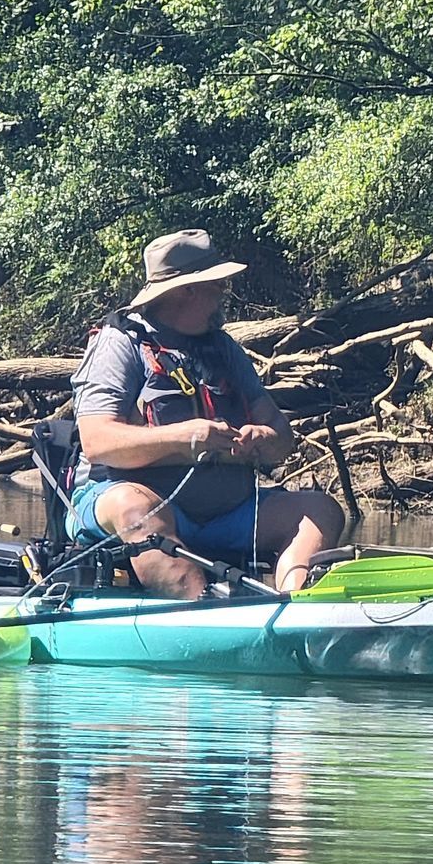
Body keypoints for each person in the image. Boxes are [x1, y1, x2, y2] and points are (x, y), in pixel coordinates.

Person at [69, 228, 344, 598]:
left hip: (227, 515)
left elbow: (282, 439)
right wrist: (184, 437)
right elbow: (97, 442)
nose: (223, 293)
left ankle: (295, 605)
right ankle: (203, 610)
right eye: (217, 285)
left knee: (320, 509)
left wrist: (263, 439)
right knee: (136, 509)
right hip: (126, 502)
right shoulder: (120, 344)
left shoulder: (225, 351)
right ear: (188, 289)